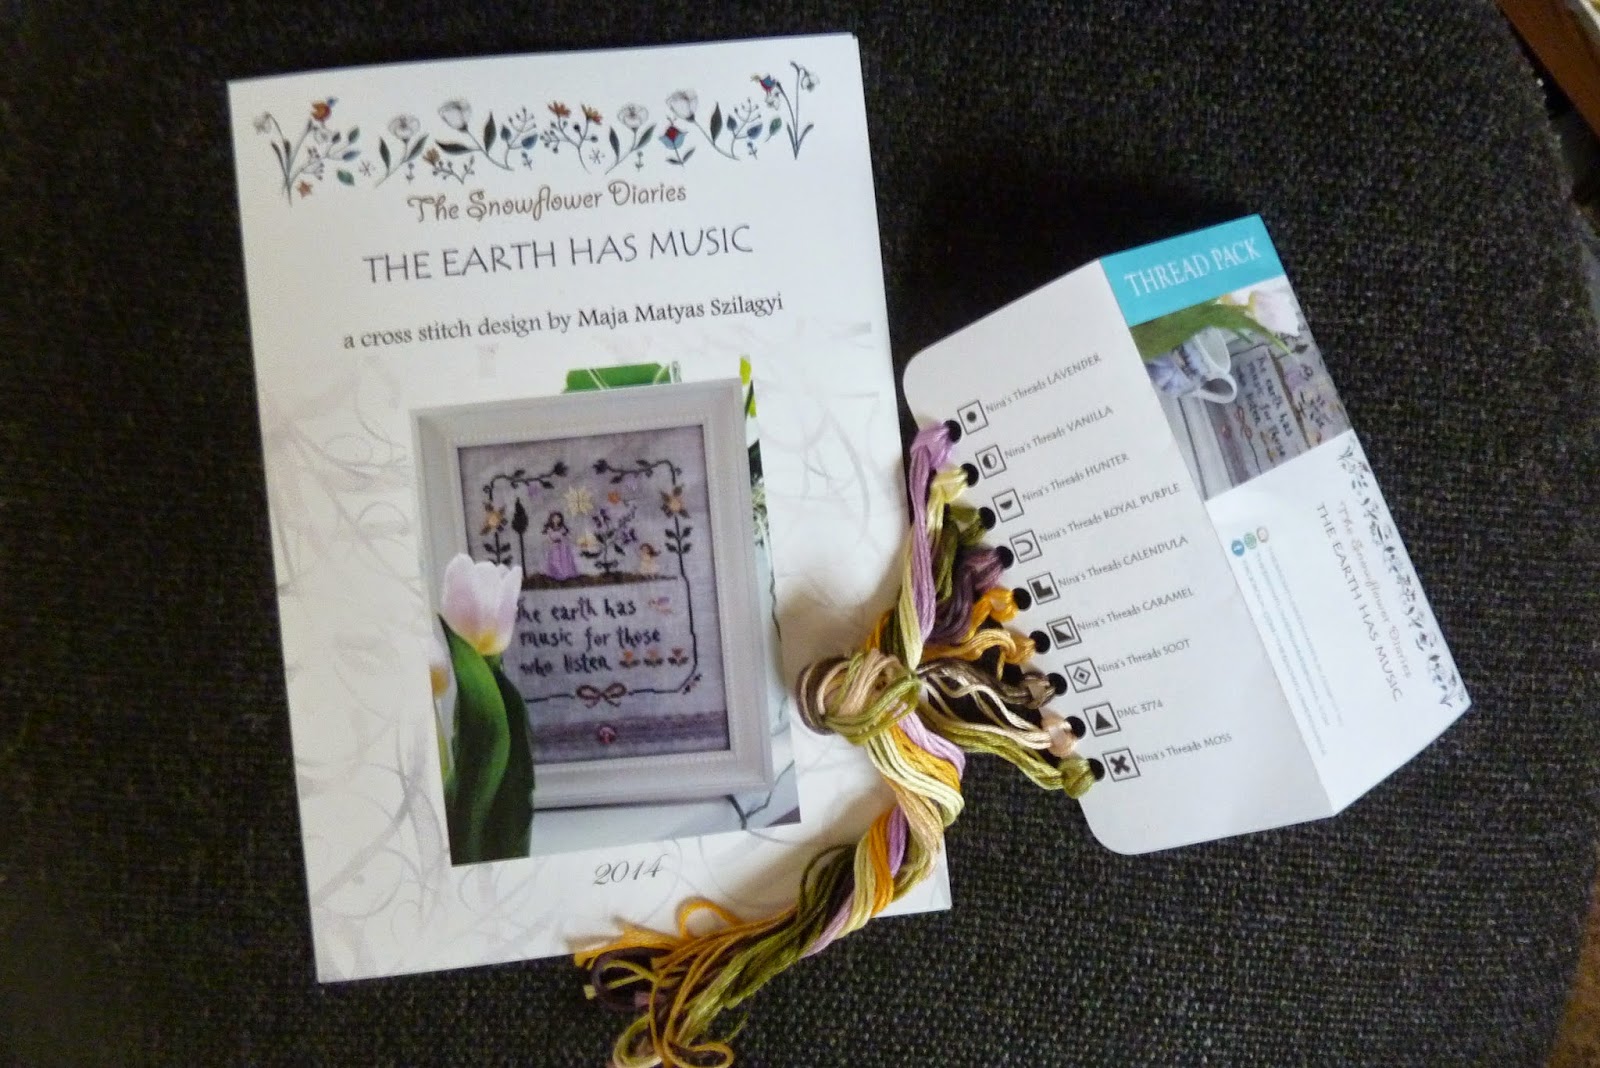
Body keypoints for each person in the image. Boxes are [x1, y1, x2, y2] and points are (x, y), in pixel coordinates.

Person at [542, 511, 579, 580]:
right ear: (551, 519)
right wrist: (551, 543)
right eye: (555, 518)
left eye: (558, 518)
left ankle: (566, 575)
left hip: (563, 547)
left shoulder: (562, 528)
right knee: (555, 561)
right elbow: (548, 539)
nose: (556, 520)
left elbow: (567, 537)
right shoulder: (549, 529)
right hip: (554, 547)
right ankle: (556, 576)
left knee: (564, 561)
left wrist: (573, 541)